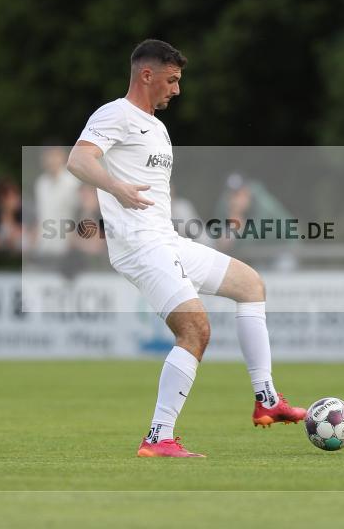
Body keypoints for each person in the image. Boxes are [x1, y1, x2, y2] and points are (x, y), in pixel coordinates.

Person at [67, 39, 306, 459]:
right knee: (195, 329)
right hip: (141, 246)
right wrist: (116, 187)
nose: (177, 90)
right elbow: (79, 160)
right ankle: (158, 437)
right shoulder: (115, 113)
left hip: (166, 240)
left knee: (250, 285)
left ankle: (267, 399)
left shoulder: (157, 127)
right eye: (172, 79)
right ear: (147, 75)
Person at [34, 145, 80, 257]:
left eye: (55, 156)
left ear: (63, 157)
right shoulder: (41, 183)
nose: (52, 160)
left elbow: (79, 212)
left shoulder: (73, 181)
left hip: (68, 247)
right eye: (49, 156)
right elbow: (41, 214)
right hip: (44, 246)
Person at [0, 177, 23, 251]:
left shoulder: (25, 221)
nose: (17, 200)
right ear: (1, 199)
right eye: (11, 197)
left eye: (17, 195)